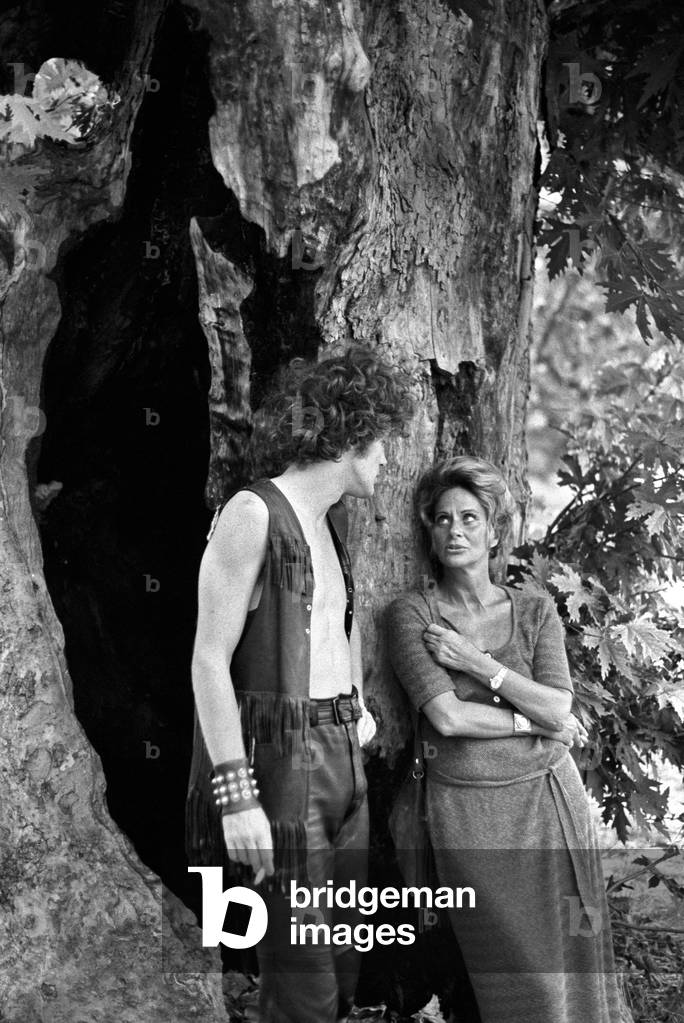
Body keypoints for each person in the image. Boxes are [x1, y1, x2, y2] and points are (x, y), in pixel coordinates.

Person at [186, 347, 411, 1023]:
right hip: (281, 768)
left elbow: (335, 624)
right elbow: (207, 660)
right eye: (382, 442)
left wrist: (359, 711)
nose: (386, 459)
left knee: (339, 962)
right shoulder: (254, 513)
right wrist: (237, 795)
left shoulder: (329, 523)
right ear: (349, 431)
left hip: (343, 758)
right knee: (302, 979)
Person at [387, 456, 622, 1023]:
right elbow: (448, 717)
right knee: (517, 973)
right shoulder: (411, 614)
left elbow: (559, 704)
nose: (454, 530)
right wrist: (532, 722)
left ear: (495, 531)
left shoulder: (536, 609)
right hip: (469, 813)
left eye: (470, 517)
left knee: (577, 957)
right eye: (441, 520)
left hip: (550, 804)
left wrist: (478, 663)